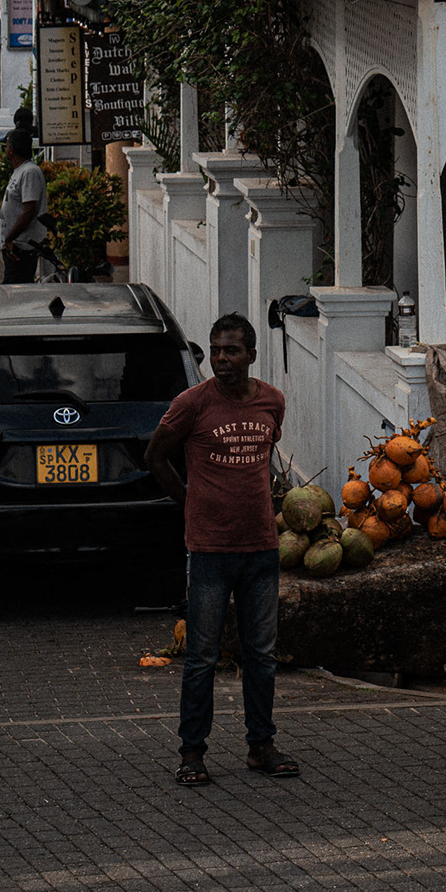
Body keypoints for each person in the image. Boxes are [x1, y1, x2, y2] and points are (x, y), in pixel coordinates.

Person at [144, 312, 297, 787]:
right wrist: (189, 502)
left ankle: (261, 746)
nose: (222, 360)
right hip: (210, 550)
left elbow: (265, 457)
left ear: (251, 355)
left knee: (262, 654)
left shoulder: (272, 401)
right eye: (216, 350)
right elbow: (155, 456)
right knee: (203, 656)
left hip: (261, 548)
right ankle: (192, 753)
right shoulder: (191, 405)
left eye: (232, 351)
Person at [0, 131, 50, 282]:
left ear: (11, 149)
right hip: (15, 246)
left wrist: (10, 238)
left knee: (14, 291)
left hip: (22, 246)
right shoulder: (19, 171)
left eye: (6, 145)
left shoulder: (29, 172)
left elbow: (29, 210)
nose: (5, 149)